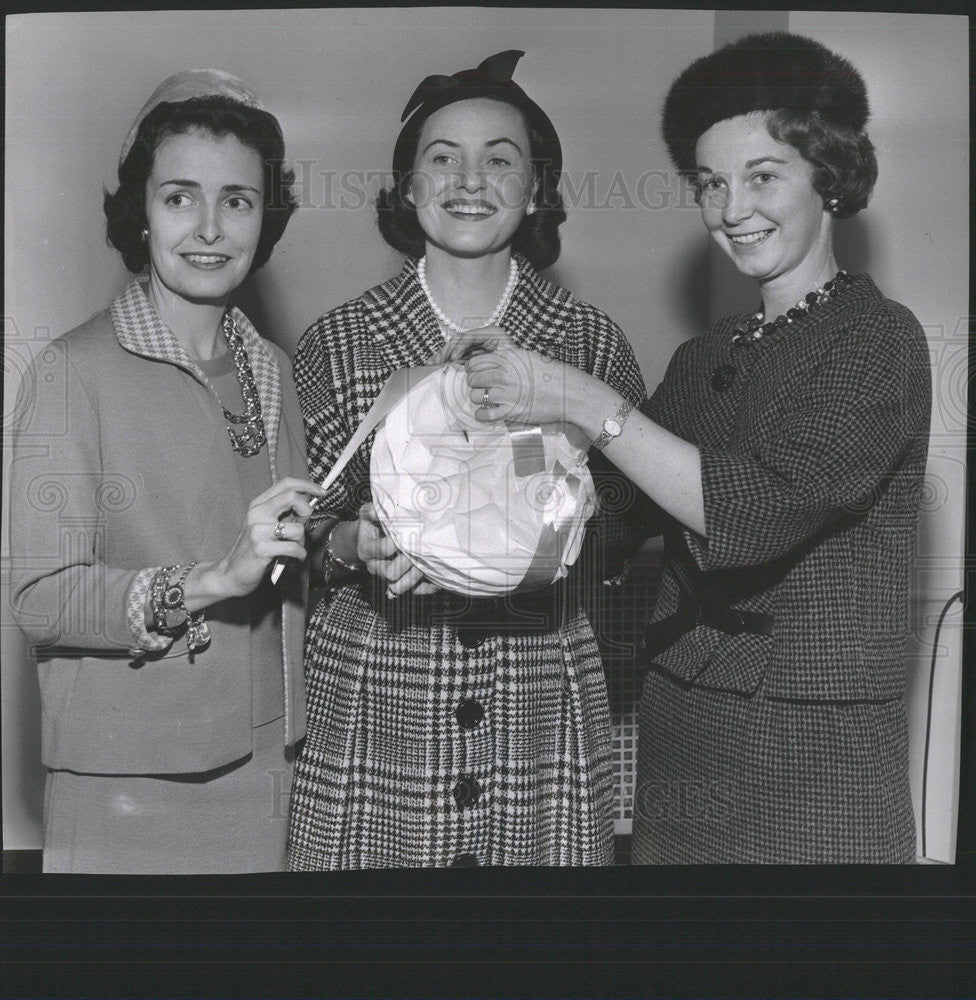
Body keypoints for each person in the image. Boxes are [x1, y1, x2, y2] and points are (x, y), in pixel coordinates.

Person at [447, 33, 931, 863]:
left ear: (832, 177)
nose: (732, 208)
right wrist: (452, 529)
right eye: (711, 184)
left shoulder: (878, 340)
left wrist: (581, 398)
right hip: (683, 732)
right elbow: (600, 515)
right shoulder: (705, 357)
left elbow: (761, 507)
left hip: (816, 762)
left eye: (763, 176)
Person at [286, 51, 647, 869]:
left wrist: (568, 513)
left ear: (535, 192)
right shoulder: (340, 343)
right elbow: (303, 534)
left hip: (538, 693)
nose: (469, 180)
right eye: (441, 158)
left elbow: (629, 523)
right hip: (381, 692)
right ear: (408, 189)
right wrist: (353, 545)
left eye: (500, 159)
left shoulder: (587, 342)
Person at [8, 70, 324, 873]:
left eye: (239, 200)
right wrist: (212, 580)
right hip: (129, 778)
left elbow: (282, 541)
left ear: (265, 218)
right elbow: (41, 598)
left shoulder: (274, 368)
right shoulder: (69, 371)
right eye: (180, 197)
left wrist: (354, 540)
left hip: (268, 765)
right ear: (140, 214)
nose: (210, 227)